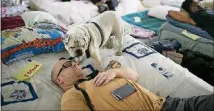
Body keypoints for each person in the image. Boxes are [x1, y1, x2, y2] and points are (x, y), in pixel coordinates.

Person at [51, 58, 214, 111]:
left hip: (169, 105)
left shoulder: (101, 74)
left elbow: (133, 75)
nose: (73, 64)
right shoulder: (71, 95)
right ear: (60, 80)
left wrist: (115, 72)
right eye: (66, 65)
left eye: (73, 61)